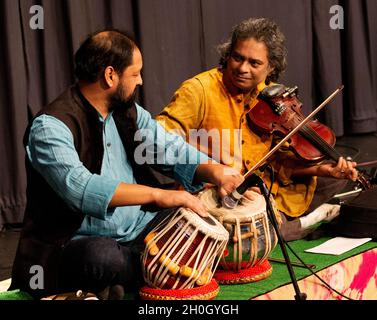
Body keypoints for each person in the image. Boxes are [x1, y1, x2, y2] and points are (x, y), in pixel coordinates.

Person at [9, 29, 246, 300]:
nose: (141, 81)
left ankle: (129, 278)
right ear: (110, 75)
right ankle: (147, 271)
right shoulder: (50, 127)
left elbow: (167, 147)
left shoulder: (127, 111)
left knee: (202, 219)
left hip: (140, 228)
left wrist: (215, 171)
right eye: (135, 74)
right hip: (72, 243)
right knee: (101, 258)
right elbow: (82, 188)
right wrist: (160, 194)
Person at [156, 17, 358, 241]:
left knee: (335, 178)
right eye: (237, 58)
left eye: (254, 63)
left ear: (271, 66)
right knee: (253, 233)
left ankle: (277, 225)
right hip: (216, 194)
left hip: (260, 189)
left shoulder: (272, 97)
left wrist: (322, 170)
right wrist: (209, 167)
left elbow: (279, 162)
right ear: (228, 54)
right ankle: (302, 224)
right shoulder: (198, 90)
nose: (242, 68)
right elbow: (158, 141)